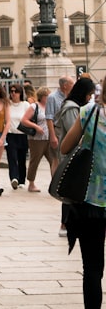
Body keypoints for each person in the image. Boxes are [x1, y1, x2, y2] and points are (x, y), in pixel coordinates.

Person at [60, 75, 106, 309]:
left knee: (92, 267)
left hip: (90, 202)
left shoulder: (90, 111)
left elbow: (65, 146)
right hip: (92, 204)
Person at [56, 76, 97, 238]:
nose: (89, 98)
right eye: (89, 94)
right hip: (73, 156)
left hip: (76, 155)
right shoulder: (72, 108)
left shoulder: (77, 106)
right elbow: (76, 134)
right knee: (70, 192)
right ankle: (64, 224)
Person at [20, 85, 55, 191]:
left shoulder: (51, 107)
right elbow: (24, 120)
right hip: (36, 139)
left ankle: (54, 183)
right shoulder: (34, 107)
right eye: (47, 96)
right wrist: (36, 126)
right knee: (35, 161)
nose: (49, 98)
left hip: (49, 137)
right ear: (42, 96)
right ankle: (31, 183)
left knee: (54, 161)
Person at [5, 82, 30, 190]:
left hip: (23, 135)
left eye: (16, 91)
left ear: (20, 93)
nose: (13, 93)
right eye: (11, 91)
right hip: (10, 134)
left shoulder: (25, 105)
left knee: (21, 158)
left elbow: (29, 118)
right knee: (12, 157)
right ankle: (14, 178)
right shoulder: (7, 104)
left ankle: (22, 180)